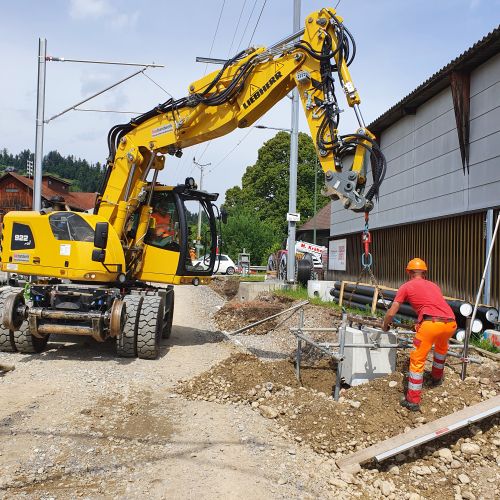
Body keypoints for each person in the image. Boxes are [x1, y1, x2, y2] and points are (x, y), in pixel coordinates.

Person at [382, 258, 457, 412]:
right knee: (441, 349)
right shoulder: (434, 286)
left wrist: (385, 325)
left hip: (431, 324)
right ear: (424, 272)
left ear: (408, 272)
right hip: (450, 323)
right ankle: (437, 377)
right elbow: (433, 305)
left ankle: (413, 401)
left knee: (417, 359)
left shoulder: (406, 286)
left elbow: (392, 311)